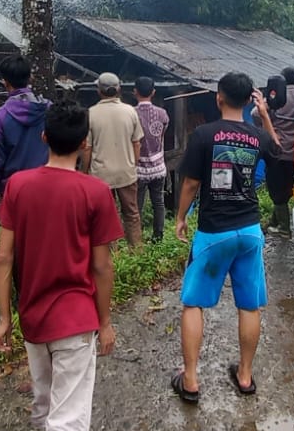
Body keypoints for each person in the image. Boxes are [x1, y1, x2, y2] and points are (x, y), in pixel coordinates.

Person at [0, 102, 119, 431]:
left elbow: (4, 259)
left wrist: (3, 318)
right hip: (76, 321)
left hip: (34, 321)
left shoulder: (18, 186)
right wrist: (105, 323)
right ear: (85, 143)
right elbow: (102, 267)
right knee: (65, 424)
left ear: (44, 138)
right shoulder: (95, 192)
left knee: (50, 406)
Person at [171, 72, 279, 402]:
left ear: (218, 98)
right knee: (249, 305)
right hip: (249, 232)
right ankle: (245, 376)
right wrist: (265, 118)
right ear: (250, 100)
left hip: (213, 232)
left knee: (193, 304)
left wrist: (179, 217)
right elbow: (277, 151)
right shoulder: (258, 136)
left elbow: (190, 184)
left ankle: (190, 380)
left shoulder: (204, 135)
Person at [84, 72, 144, 249]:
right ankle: (137, 251)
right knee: (132, 214)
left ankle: (112, 255)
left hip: (101, 175)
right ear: (118, 89)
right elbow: (136, 143)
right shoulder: (130, 111)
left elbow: (87, 148)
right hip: (126, 172)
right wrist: (133, 165)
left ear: (99, 91)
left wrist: (84, 172)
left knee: (106, 216)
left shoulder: (91, 114)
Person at [0, 56, 51, 214]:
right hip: (48, 184)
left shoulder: (0, 117)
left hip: (14, 188)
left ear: (5, 82)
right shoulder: (49, 109)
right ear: (30, 78)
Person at [262, 67, 294, 235]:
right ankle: (274, 221)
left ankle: (284, 228)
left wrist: (265, 104)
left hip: (278, 149)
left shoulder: (277, 97)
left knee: (276, 188)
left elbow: (256, 113)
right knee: (286, 187)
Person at [133, 77, 169, 240]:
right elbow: (162, 135)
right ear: (153, 92)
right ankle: (158, 236)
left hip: (139, 168)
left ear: (135, 92)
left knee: (137, 205)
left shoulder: (131, 114)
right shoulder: (162, 114)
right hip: (158, 166)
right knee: (158, 202)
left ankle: (136, 239)